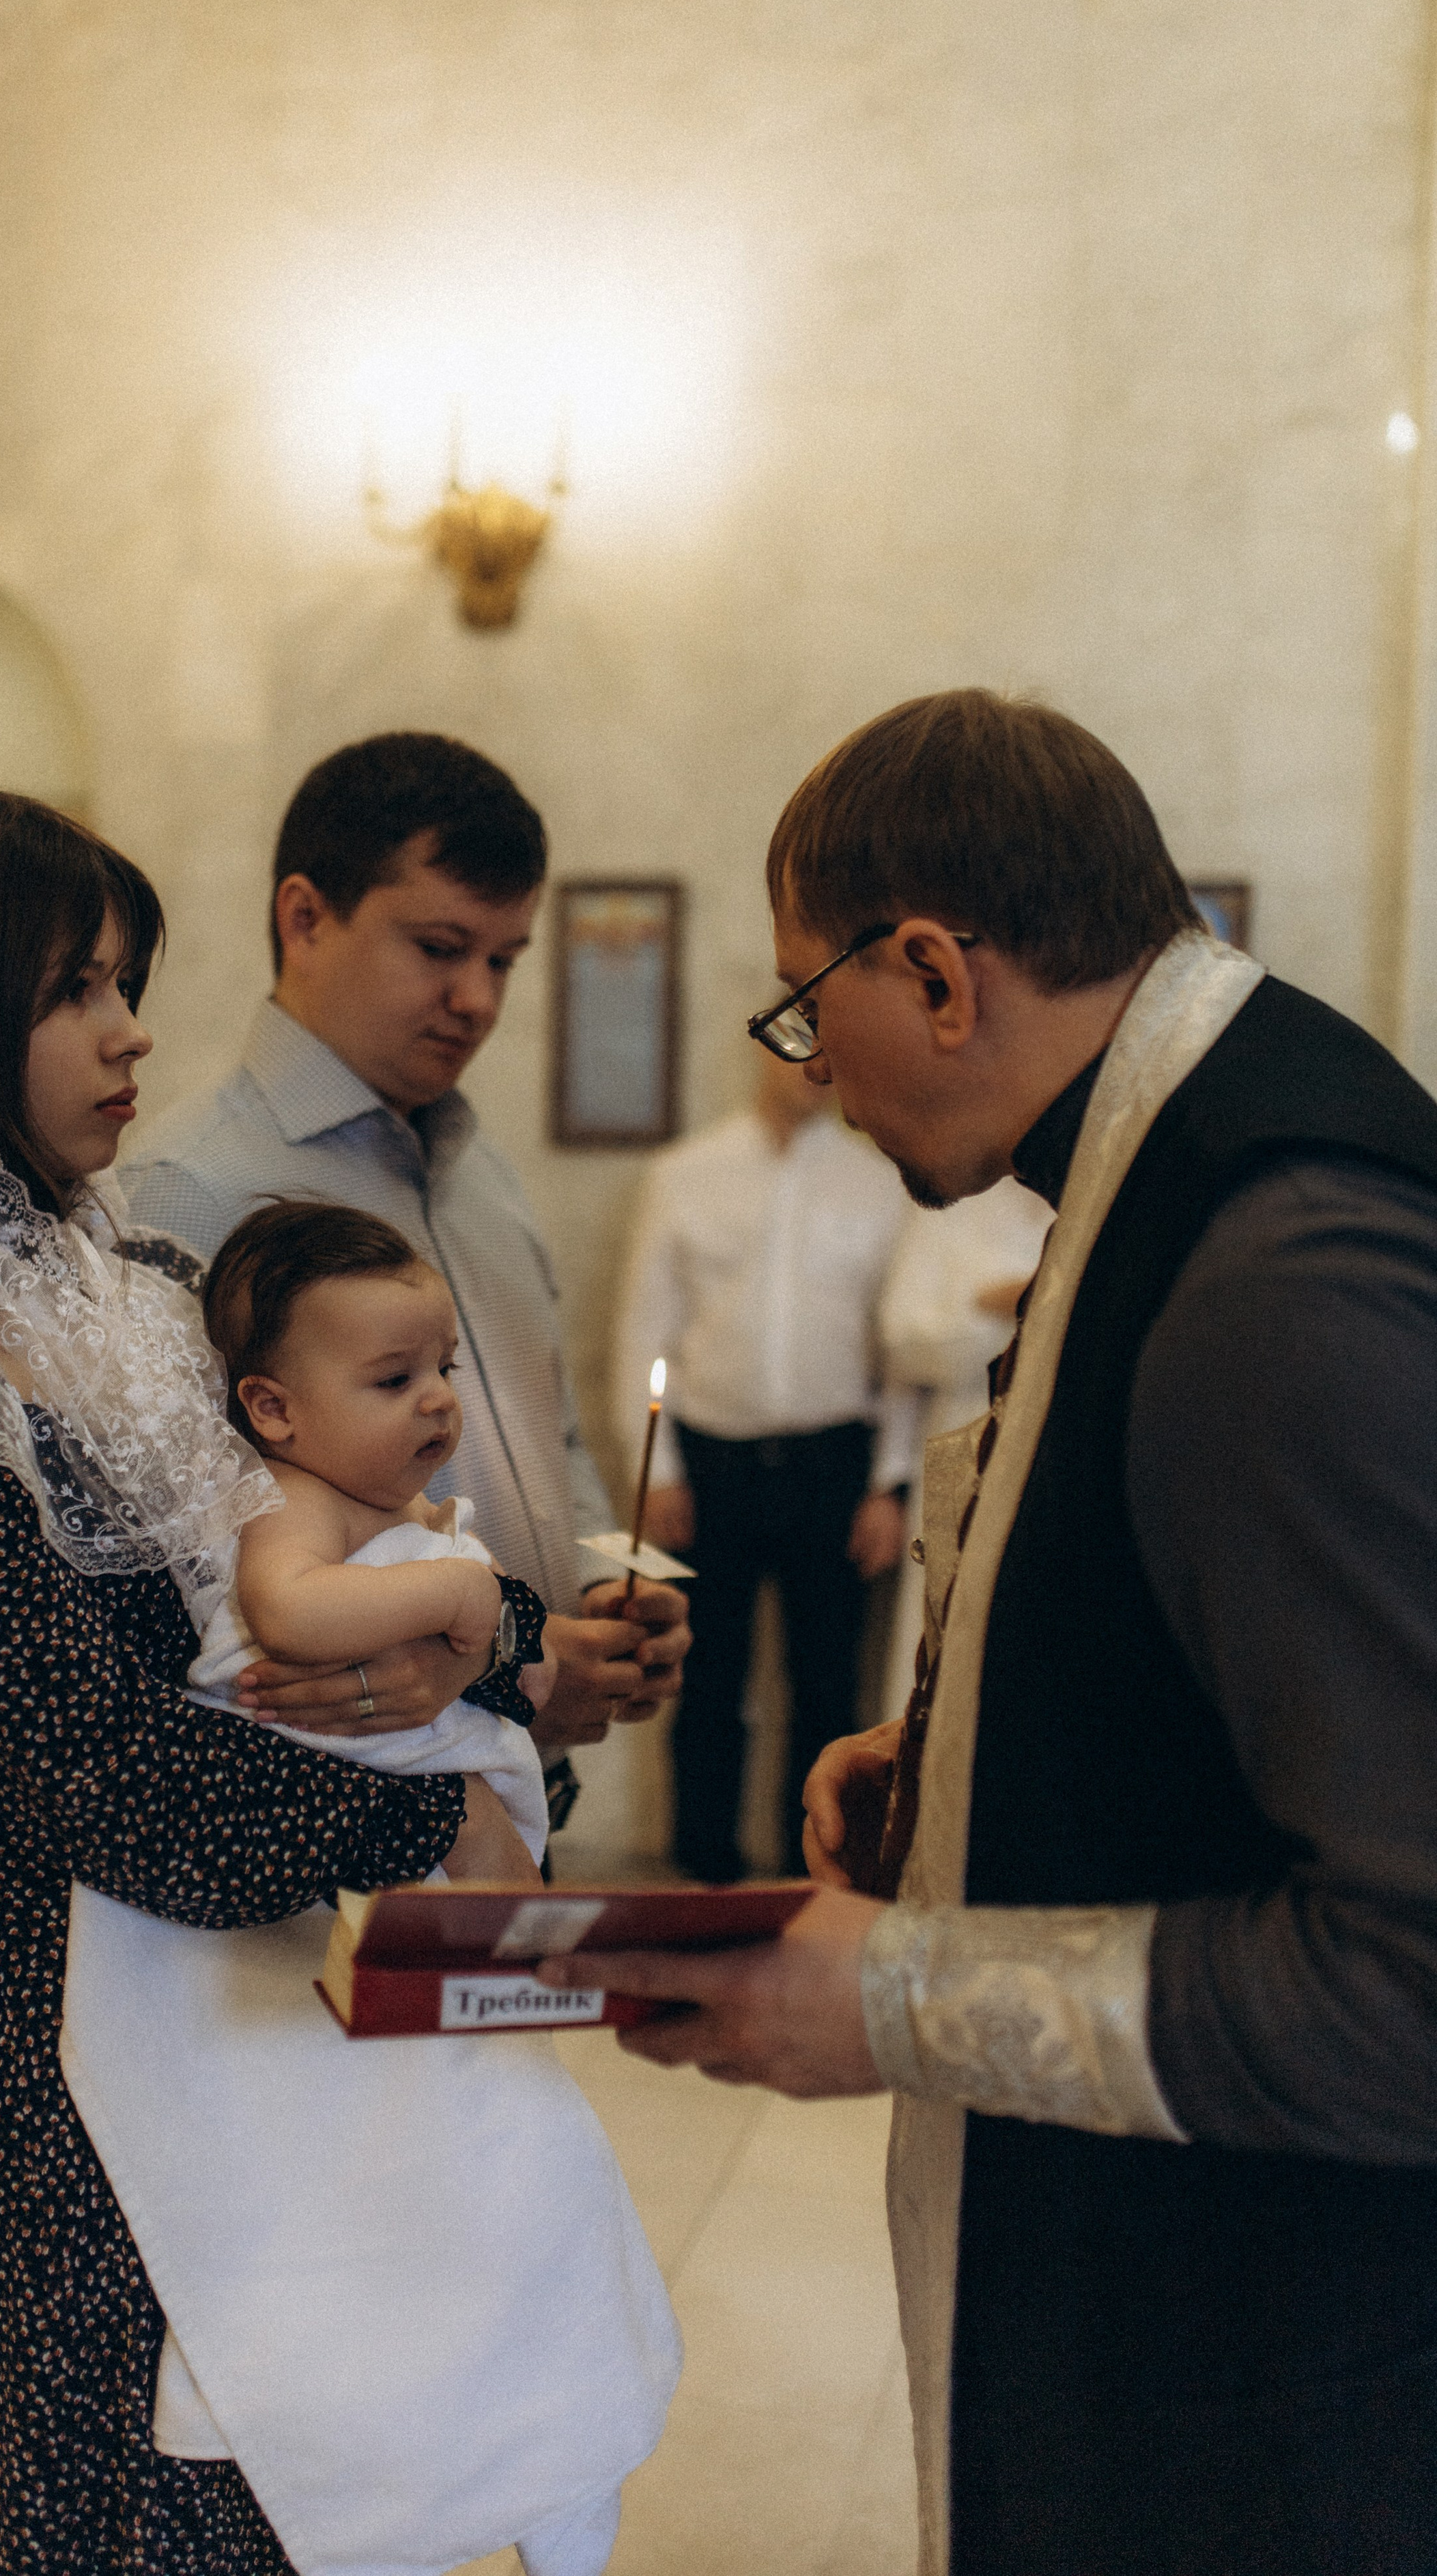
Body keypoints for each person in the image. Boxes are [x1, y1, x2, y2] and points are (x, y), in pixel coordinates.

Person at [539, 689, 1437, 2576]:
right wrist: (971, 1769)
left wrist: (887, 1993)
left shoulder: (1281, 1265)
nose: (815, 1067)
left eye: (809, 1005)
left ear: (936, 974)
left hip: (1269, 2394)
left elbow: (1412, 1980)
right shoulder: (1161, 1147)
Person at [0, 784, 552, 2572]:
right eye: (74, 985)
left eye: (126, 978)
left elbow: (352, 1551)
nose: (130, 1026)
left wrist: (491, 1631)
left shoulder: (137, 1283)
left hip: (261, 2044)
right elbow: (75, 1764)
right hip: (69, 2126)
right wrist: (422, 1805)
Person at [70, 1196, 679, 2576]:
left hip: (437, 1833)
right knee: (463, 2184)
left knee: (526, 2166)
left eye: (444, 1368)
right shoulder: (285, 1510)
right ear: (274, 1411)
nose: (437, 1404)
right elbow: (286, 1617)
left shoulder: (365, 1502)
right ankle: (491, 2469)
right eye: (394, 1379)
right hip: (331, 1859)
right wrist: (457, 1605)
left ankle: (548, 2450)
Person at [119, 731, 689, 1827]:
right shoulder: (185, 1193)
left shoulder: (487, 1179)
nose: (477, 997)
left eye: (504, 960)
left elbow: (552, 1436)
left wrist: (605, 1594)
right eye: (439, 947)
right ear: (304, 917)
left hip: (521, 1781)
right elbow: (171, 1577)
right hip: (340, 1815)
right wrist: (503, 1659)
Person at [614, 1045, 915, 1877]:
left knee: (826, 1685)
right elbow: (645, 1329)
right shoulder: (684, 1173)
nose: (816, 1067)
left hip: (835, 1464)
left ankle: (810, 1872)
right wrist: (660, 1469)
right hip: (711, 1463)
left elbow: (895, 1351)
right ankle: (702, 1869)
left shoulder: (880, 1182)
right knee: (706, 1676)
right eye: (799, 1049)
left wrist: (890, 1486)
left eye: (832, 1050)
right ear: (759, 1048)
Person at [874, 1176, 1051, 1721]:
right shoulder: (953, 1194)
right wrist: (1026, 1308)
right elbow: (903, 1342)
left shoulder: (1107, 1195)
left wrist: (1003, 1305)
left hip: (1056, 1455)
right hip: (961, 1450)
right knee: (942, 1637)